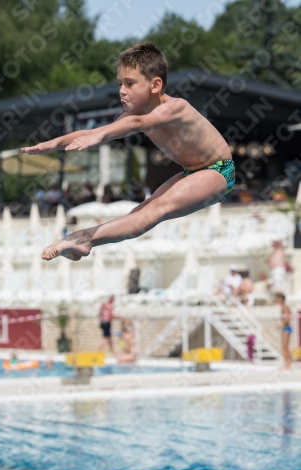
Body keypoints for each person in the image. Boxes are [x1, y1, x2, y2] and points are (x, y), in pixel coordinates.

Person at [21, 42, 235, 262]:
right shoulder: (135, 116)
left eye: (130, 83)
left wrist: (101, 136)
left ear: (155, 85)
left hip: (219, 171)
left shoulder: (175, 107)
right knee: (141, 210)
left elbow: (139, 123)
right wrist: (54, 143)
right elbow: (96, 130)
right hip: (192, 171)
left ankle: (84, 237)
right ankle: (86, 243)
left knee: (157, 209)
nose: (122, 91)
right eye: (120, 83)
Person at [276, 293, 292, 370]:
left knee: (284, 347)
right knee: (285, 347)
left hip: (286, 328)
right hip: (286, 328)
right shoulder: (284, 306)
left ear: (282, 299)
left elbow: (288, 318)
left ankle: (287, 364)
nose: (277, 300)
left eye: (278, 298)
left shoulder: (284, 307)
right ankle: (288, 363)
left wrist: (281, 324)